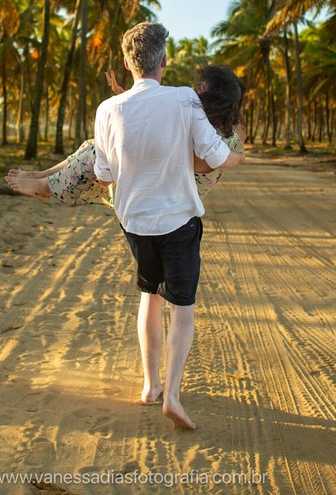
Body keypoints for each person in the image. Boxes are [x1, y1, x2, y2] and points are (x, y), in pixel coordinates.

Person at [95, 22, 243, 431]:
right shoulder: (183, 100)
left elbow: (104, 175)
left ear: (128, 64)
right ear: (164, 61)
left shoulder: (107, 109)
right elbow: (213, 156)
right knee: (183, 308)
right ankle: (173, 395)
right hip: (178, 221)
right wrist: (238, 157)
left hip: (135, 224)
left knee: (150, 296)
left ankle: (149, 386)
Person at [4, 64, 246, 206]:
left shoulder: (202, 135)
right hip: (163, 181)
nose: (195, 90)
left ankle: (46, 187)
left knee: (97, 156)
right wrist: (131, 102)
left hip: (162, 192)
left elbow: (164, 147)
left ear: (215, 100)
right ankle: (44, 175)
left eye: (201, 88)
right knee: (94, 144)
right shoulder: (230, 127)